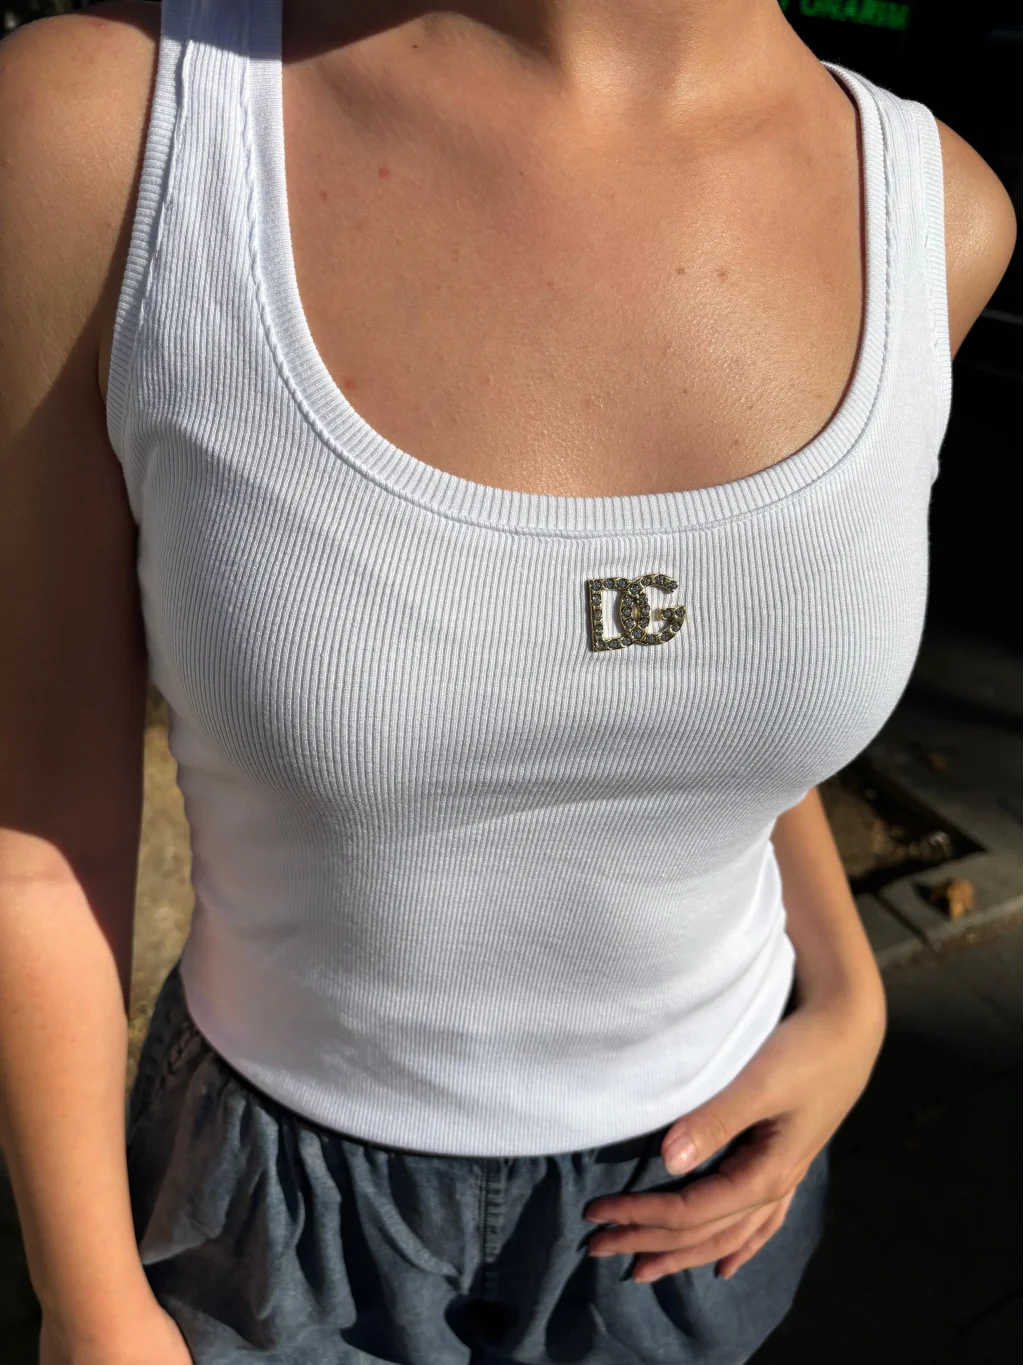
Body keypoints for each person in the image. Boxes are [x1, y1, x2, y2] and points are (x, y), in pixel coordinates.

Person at [0, 0, 1016, 1362]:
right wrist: (89, 1304)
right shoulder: (116, 139)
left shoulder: (937, 219)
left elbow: (696, 707)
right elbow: (33, 832)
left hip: (701, 1204)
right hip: (274, 1226)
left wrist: (848, 990)